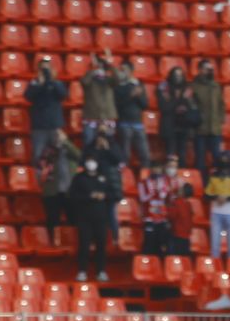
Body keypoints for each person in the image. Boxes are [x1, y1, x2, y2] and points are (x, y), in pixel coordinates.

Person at [67, 154, 118, 282]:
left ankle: (101, 271)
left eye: (93, 161)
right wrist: (89, 196)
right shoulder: (79, 178)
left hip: (101, 218)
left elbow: (114, 194)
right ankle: (82, 271)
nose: (91, 164)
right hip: (84, 218)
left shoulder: (103, 177)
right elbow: (72, 196)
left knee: (101, 245)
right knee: (84, 245)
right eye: (89, 161)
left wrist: (104, 195)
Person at [24, 58, 67, 164]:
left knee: (60, 156)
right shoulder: (34, 83)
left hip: (54, 126)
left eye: (47, 68)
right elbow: (28, 96)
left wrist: (51, 81)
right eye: (43, 69)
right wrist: (40, 84)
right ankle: (38, 180)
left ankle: (60, 180)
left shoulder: (57, 83)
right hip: (39, 128)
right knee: (38, 156)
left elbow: (63, 95)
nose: (45, 71)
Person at [37, 129, 80, 230]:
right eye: (56, 136)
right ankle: (52, 242)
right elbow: (42, 165)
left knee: (74, 219)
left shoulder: (70, 151)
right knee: (52, 220)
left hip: (69, 191)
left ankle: (71, 240)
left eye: (60, 136)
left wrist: (66, 143)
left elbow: (80, 156)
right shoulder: (47, 151)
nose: (58, 138)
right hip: (52, 191)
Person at [204, 153, 230, 261]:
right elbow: (206, 195)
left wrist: (227, 198)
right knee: (215, 246)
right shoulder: (214, 176)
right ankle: (215, 270)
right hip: (216, 212)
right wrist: (217, 197)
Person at [111, 62, 151, 172]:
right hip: (124, 123)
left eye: (124, 69)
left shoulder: (138, 85)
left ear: (131, 71)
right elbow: (117, 105)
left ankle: (145, 176)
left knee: (145, 154)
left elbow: (144, 105)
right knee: (125, 155)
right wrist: (131, 96)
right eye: (121, 69)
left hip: (138, 124)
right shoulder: (118, 88)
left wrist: (138, 96)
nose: (122, 72)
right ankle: (125, 176)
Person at [156, 66, 199, 165]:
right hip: (169, 126)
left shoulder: (188, 88)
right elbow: (165, 106)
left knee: (182, 155)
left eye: (180, 75)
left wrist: (180, 103)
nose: (178, 77)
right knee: (170, 155)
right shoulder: (164, 87)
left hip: (184, 126)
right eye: (176, 75)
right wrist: (179, 100)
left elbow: (192, 106)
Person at [189, 60, 224, 175]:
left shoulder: (216, 86)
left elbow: (220, 104)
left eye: (210, 68)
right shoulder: (194, 86)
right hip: (200, 129)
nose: (209, 71)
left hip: (215, 129)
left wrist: (220, 120)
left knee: (217, 158)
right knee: (200, 159)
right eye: (206, 68)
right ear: (199, 70)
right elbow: (190, 105)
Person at [138, 158, 176, 256]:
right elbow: (142, 198)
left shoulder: (165, 181)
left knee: (161, 243)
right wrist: (152, 193)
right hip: (149, 217)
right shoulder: (143, 182)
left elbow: (167, 196)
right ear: (151, 169)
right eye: (155, 168)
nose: (157, 171)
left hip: (161, 217)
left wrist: (163, 191)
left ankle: (159, 266)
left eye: (158, 169)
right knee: (149, 243)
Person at [79, 52, 117, 145]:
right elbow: (84, 82)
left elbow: (118, 78)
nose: (99, 69)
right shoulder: (89, 79)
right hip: (91, 117)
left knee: (108, 144)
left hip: (107, 117)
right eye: (97, 66)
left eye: (101, 67)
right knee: (89, 144)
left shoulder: (109, 80)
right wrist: (93, 69)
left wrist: (110, 64)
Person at [167, 183, 195, 256]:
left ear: (183, 192)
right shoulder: (189, 204)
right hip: (186, 237)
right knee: (185, 259)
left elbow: (171, 216)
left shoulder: (177, 202)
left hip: (177, 236)